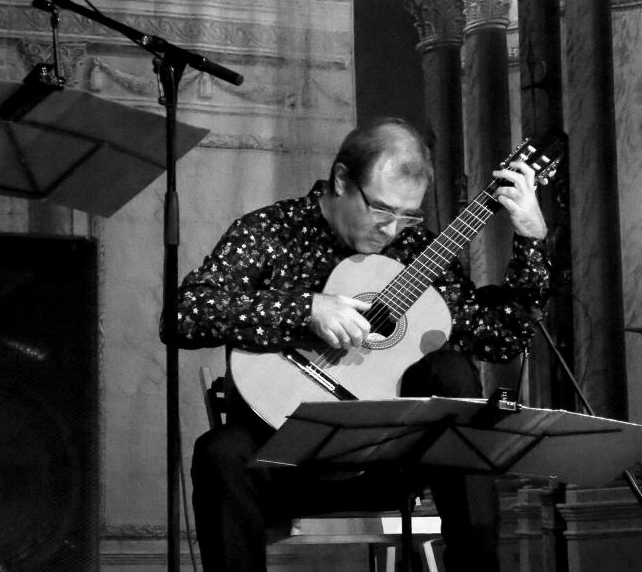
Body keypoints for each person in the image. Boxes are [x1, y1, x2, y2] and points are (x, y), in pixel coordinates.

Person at [164, 118, 550, 572]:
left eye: (409, 215)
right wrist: (306, 309)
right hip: (284, 456)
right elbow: (185, 315)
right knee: (219, 453)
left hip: (388, 462)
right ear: (342, 179)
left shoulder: (415, 252)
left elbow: (502, 336)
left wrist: (530, 241)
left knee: (450, 372)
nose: (392, 229)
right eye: (381, 210)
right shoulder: (273, 232)